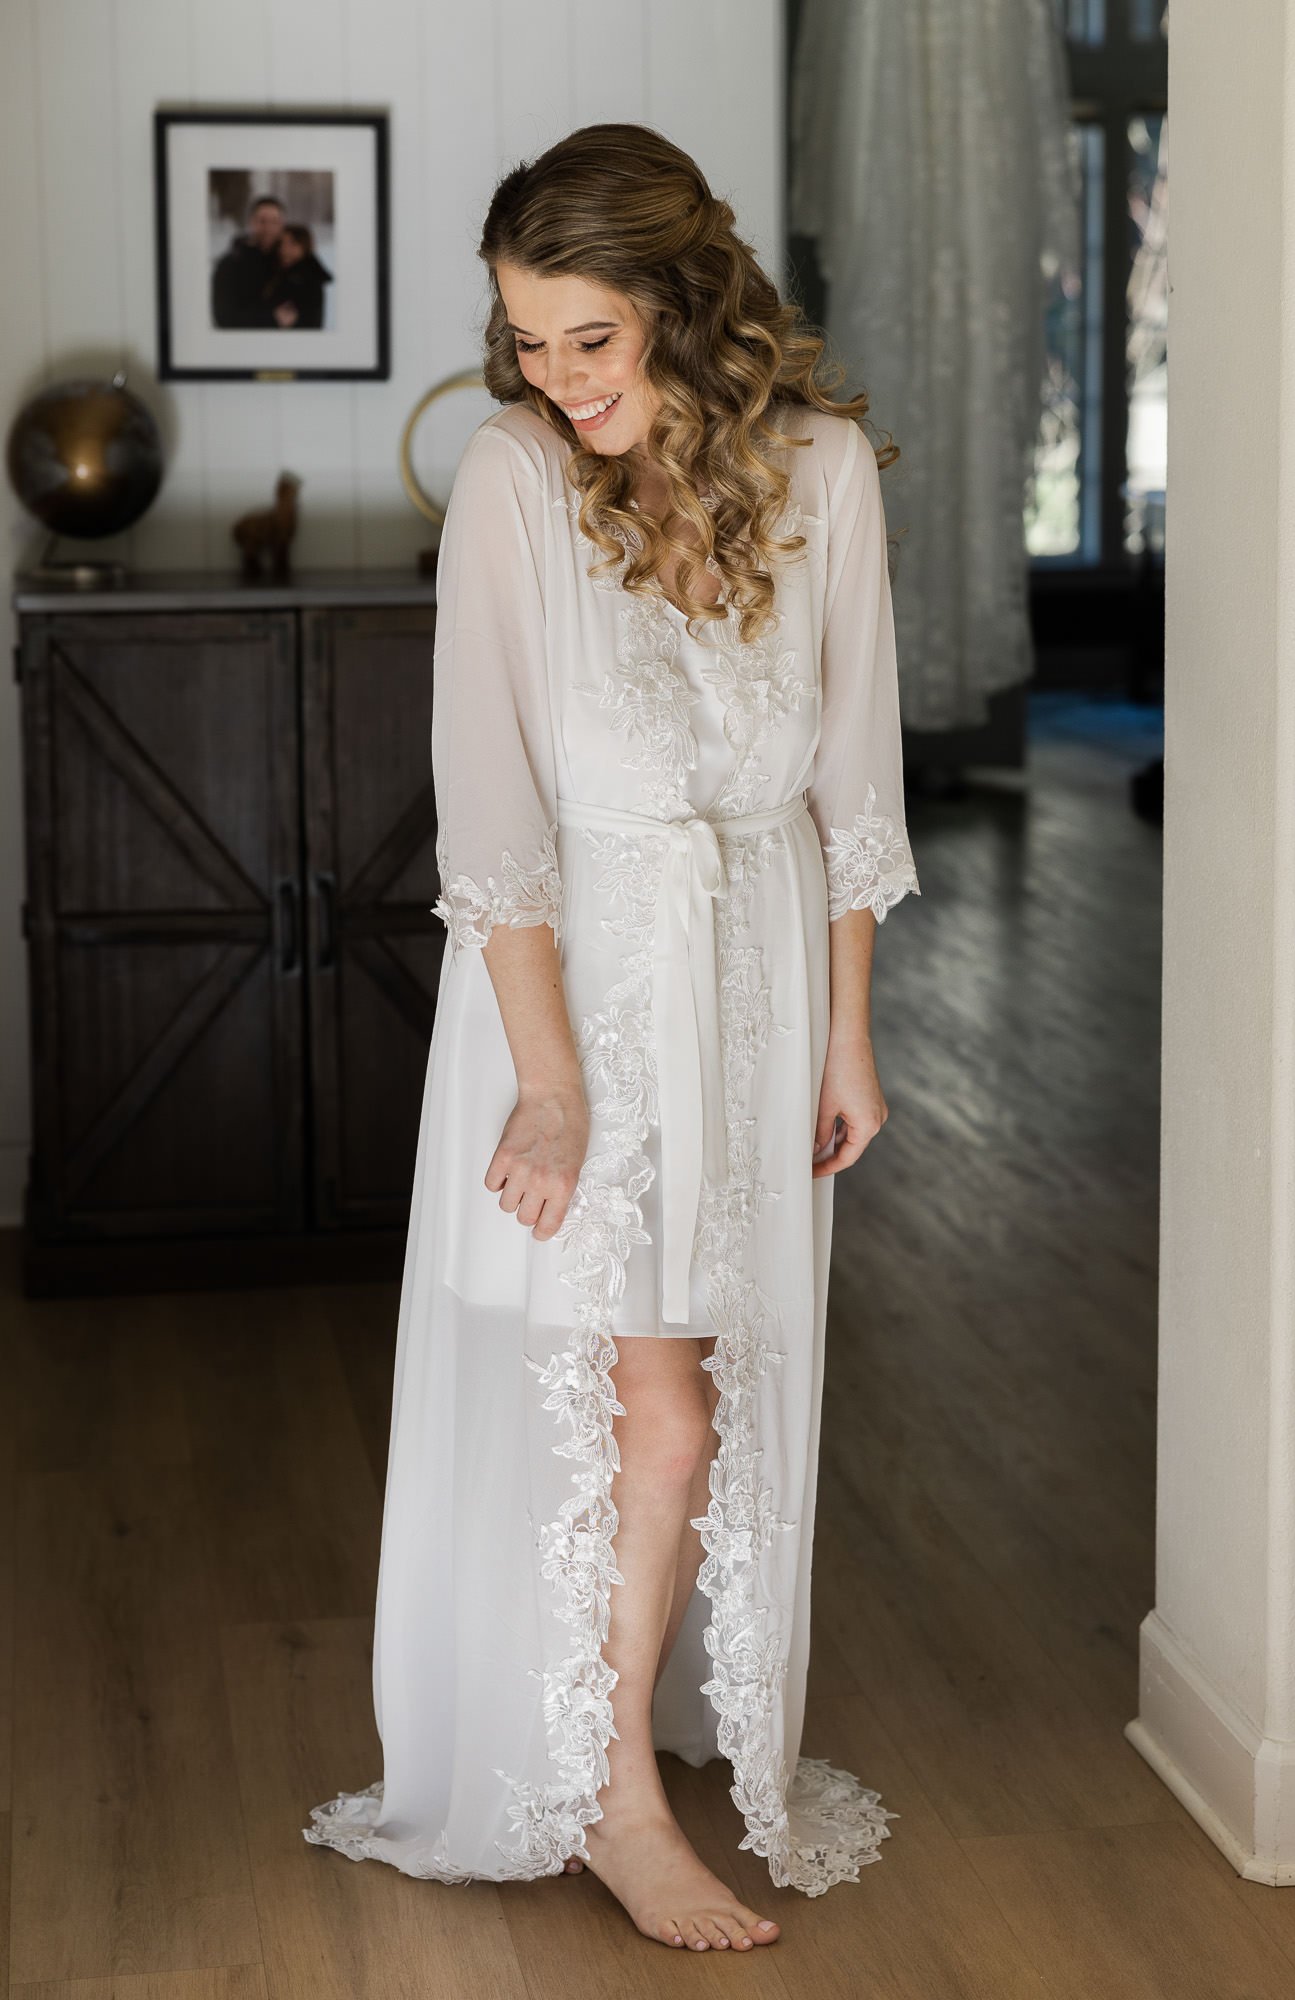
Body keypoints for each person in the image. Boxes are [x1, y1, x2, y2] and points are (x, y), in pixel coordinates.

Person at [303, 121, 921, 1954]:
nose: (551, 376)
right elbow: (487, 820)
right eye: (524, 338)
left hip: (754, 999)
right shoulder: (509, 479)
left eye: (585, 335)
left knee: (695, 1408)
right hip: (571, 1003)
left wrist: (849, 1037)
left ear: (675, 296)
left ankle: (602, 1741)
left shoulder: (817, 470)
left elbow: (851, 780)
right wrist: (552, 1085)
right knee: (651, 1416)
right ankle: (612, 1799)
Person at [211, 194, 285, 328]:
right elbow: (223, 317)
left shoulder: (293, 264)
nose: (268, 228)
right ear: (251, 222)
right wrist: (271, 318)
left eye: (274, 222)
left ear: (282, 225)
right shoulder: (229, 264)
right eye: (262, 221)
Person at [264, 222, 334, 329]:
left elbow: (312, 321)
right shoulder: (274, 268)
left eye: (292, 243)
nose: (284, 249)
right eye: (282, 243)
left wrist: (294, 318)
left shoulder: (311, 275)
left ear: (304, 246)